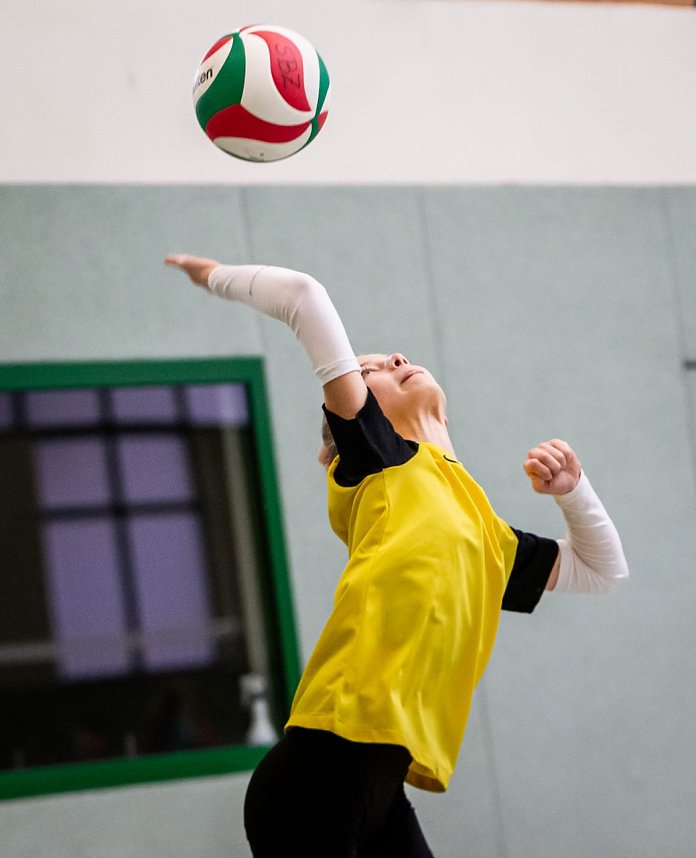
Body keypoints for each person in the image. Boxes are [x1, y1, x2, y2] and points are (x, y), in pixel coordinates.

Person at [165, 254, 629, 858]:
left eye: (394, 356)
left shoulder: (484, 529)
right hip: (319, 770)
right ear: (350, 420)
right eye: (370, 368)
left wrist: (573, 493)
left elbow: (601, 570)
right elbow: (304, 296)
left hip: (380, 781)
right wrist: (215, 275)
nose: (395, 361)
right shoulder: (378, 462)